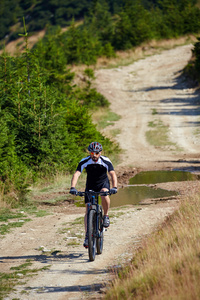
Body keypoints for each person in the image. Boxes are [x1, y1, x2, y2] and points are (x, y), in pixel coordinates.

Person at [70, 141, 118, 248]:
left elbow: (112, 173)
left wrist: (114, 187)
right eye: (92, 153)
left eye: (97, 153)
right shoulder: (85, 161)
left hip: (103, 183)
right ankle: (88, 235)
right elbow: (77, 174)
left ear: (100, 153)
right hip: (90, 185)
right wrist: (73, 187)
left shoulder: (105, 160)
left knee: (104, 194)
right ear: (89, 153)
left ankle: (105, 216)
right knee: (88, 208)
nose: (94, 155)